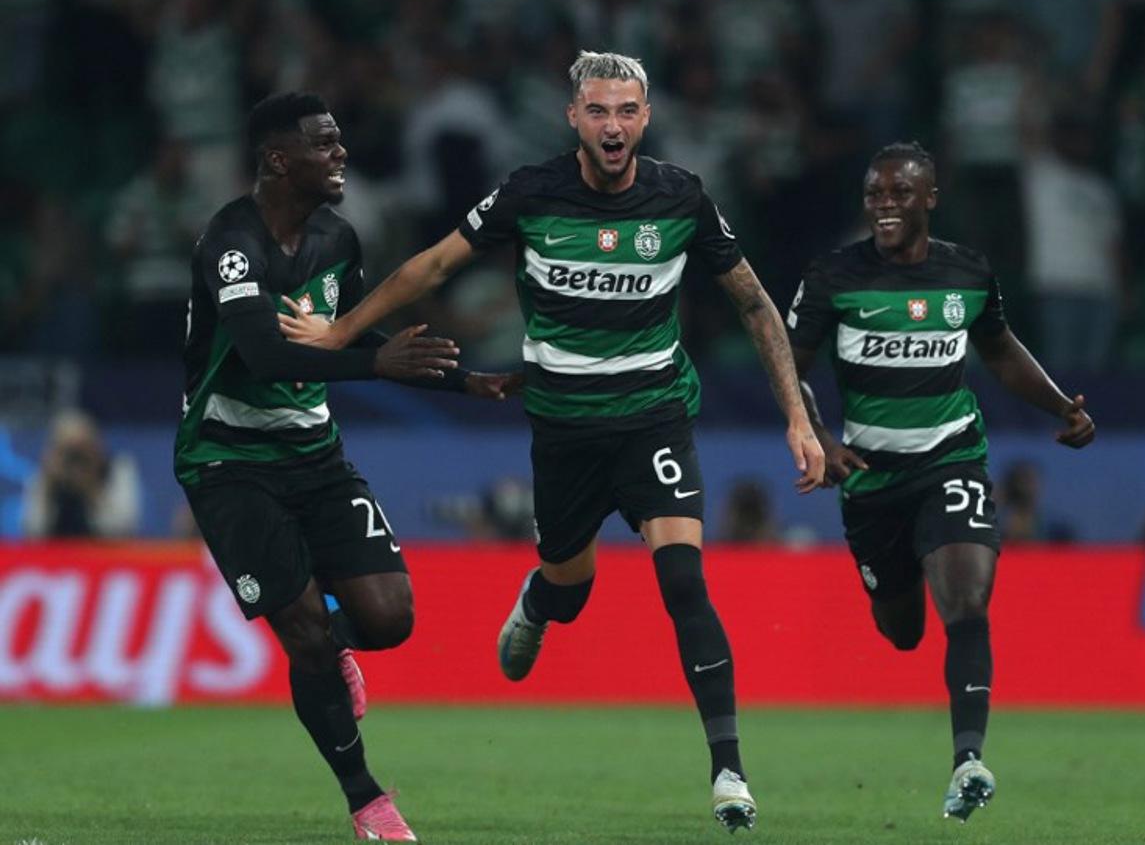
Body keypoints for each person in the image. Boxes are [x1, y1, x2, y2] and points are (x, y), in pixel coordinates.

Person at [280, 51, 826, 832]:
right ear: (573, 116)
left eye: (627, 111)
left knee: (684, 583)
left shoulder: (680, 198)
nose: (613, 126)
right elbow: (433, 265)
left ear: (645, 118)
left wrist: (798, 420)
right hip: (566, 434)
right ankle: (540, 600)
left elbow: (756, 304)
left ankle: (729, 770)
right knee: (570, 587)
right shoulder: (532, 193)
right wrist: (340, 333)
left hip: (653, 420)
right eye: (598, 111)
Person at [174, 91, 519, 842]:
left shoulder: (337, 239)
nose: (341, 155)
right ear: (277, 159)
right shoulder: (231, 244)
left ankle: (334, 652)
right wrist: (377, 365)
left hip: (315, 454)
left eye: (338, 141)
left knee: (389, 619)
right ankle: (366, 797)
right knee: (300, 632)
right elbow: (265, 355)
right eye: (324, 145)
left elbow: (362, 329)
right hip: (229, 459)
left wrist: (466, 381)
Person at [785, 142, 1095, 822]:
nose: (885, 205)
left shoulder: (968, 272)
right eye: (875, 195)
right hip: (869, 478)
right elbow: (790, 365)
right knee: (901, 629)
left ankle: (968, 761)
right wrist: (821, 439)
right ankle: (897, 602)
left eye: (899, 193)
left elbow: (1001, 349)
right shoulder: (835, 275)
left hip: (951, 458)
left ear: (929, 198)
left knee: (967, 599)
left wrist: (1061, 406)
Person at [21, 409, 141, 538]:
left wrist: (91, 488)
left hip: (104, 554)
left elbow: (122, 530)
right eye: (68, 451)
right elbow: (33, 531)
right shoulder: (45, 476)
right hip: (57, 554)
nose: (75, 459)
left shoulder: (118, 471)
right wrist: (48, 485)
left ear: (97, 446)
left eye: (81, 450)